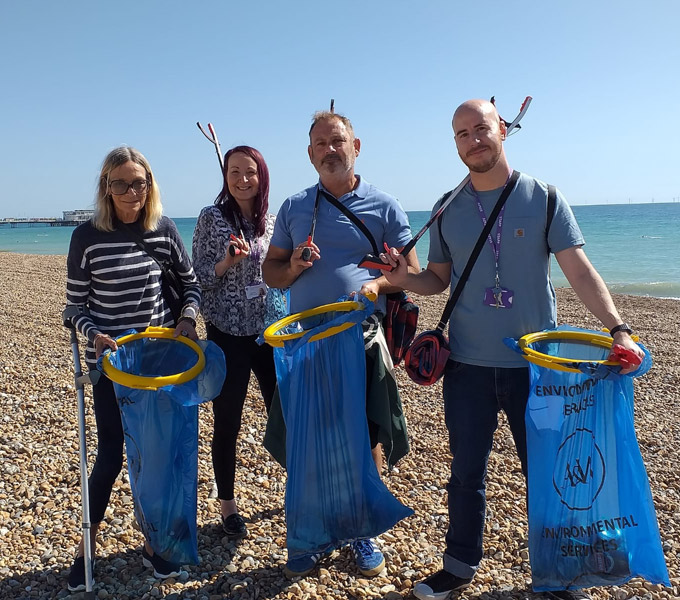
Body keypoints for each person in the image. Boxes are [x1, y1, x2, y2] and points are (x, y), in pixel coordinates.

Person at [381, 99, 644, 600]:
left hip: (537, 368)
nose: (473, 140)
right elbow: (437, 279)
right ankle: (458, 566)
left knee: (549, 474)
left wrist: (618, 328)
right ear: (455, 144)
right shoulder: (446, 206)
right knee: (465, 473)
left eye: (481, 128)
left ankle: (561, 571)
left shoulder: (543, 197)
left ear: (503, 130)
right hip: (466, 366)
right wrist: (402, 278)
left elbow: (580, 272)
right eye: (462, 134)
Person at [262, 110, 420, 578]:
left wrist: (378, 284)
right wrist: (292, 267)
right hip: (306, 340)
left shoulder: (385, 205)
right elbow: (271, 272)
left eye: (338, 141)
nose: (330, 150)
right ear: (310, 154)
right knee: (307, 432)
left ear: (356, 146)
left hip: (361, 338)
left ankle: (360, 528)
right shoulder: (294, 207)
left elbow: (411, 271)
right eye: (321, 144)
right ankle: (311, 531)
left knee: (365, 430)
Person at [65, 146, 201, 592]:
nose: (130, 191)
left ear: (149, 185)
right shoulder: (86, 237)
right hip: (110, 366)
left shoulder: (162, 229)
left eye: (138, 182)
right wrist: (94, 334)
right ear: (107, 187)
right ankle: (86, 548)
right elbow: (74, 308)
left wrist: (186, 318)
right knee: (109, 457)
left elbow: (190, 285)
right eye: (121, 183)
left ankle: (157, 545)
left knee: (159, 460)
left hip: (157, 366)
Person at [192, 145, 278, 539]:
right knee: (228, 419)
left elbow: (278, 275)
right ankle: (227, 506)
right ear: (225, 176)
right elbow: (198, 278)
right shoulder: (212, 218)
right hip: (227, 331)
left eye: (250, 172)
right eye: (235, 172)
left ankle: (301, 489)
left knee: (285, 413)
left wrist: (297, 263)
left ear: (262, 176)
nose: (243, 180)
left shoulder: (270, 221)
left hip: (266, 333)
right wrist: (227, 261)